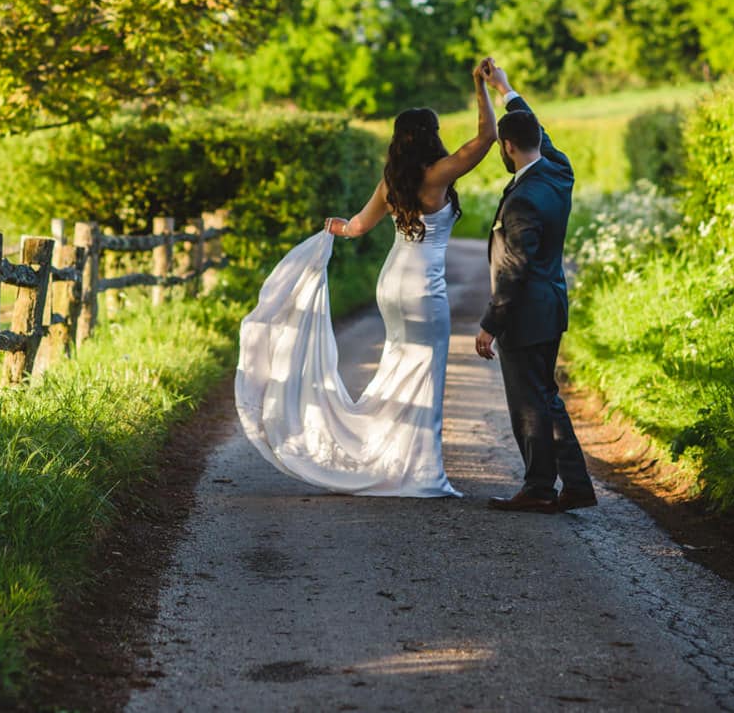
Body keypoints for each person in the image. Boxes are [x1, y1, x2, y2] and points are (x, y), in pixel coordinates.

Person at [233, 60, 499, 496]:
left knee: (397, 368)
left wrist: (330, 227)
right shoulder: (438, 175)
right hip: (422, 287)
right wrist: (480, 85)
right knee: (425, 372)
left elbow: (355, 227)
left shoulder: (391, 181)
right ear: (431, 136)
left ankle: (388, 457)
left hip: (390, 283)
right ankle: (420, 472)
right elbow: (487, 137)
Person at [473, 59, 597, 513]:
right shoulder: (558, 171)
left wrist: (489, 323)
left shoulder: (523, 198)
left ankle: (541, 486)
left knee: (529, 403)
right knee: (545, 396)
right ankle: (573, 485)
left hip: (525, 314)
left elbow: (514, 269)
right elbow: (535, 131)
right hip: (552, 306)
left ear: (506, 147)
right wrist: (504, 88)